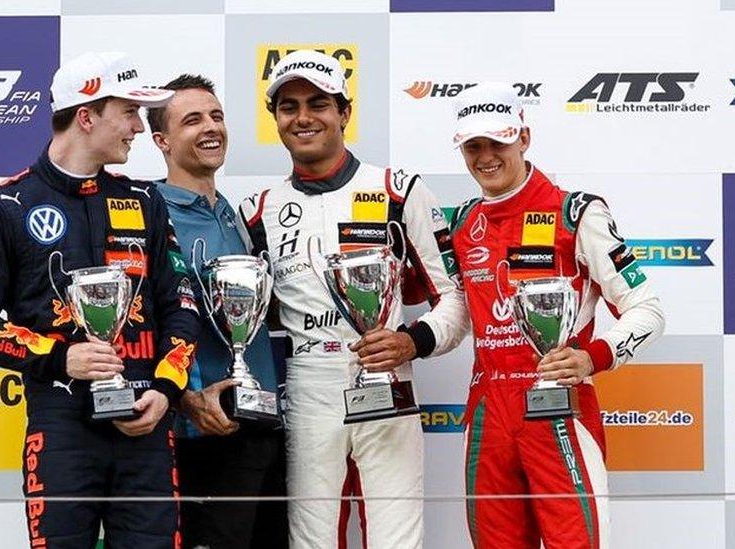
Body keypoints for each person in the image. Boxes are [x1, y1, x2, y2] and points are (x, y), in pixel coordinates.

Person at [0, 51, 200, 549]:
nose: (138, 128)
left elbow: (181, 303)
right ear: (86, 116)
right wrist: (62, 357)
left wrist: (167, 388)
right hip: (61, 426)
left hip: (145, 420)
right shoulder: (4, 206)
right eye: (128, 112)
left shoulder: (145, 201)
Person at [237, 50, 467, 549]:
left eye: (318, 104)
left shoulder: (398, 190)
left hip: (388, 380)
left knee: (396, 539)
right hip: (307, 385)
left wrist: (412, 342)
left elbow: (455, 297)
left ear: (344, 112)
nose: (302, 118)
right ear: (275, 118)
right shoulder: (258, 211)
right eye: (288, 106)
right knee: (311, 541)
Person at [447, 82, 666, 548]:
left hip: (559, 408)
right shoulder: (464, 224)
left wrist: (592, 357)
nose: (485, 157)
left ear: (523, 137)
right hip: (488, 411)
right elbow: (458, 315)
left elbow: (647, 309)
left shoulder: (576, 213)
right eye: (473, 146)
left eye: (497, 142)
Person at [146, 73, 288, 549]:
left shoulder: (238, 213)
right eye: (192, 120)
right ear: (161, 140)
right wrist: (187, 398)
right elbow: (141, 326)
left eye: (217, 116)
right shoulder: (148, 212)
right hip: (203, 429)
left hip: (264, 423)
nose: (211, 127)